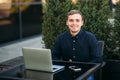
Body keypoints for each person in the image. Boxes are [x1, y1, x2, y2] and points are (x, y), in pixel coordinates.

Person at [52, 9, 103, 80]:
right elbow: (54, 57)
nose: (74, 23)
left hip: (86, 73)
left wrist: (81, 67)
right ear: (67, 22)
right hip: (66, 73)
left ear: (82, 22)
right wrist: (65, 64)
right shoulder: (61, 38)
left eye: (77, 20)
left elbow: (98, 59)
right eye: (71, 20)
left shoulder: (90, 37)